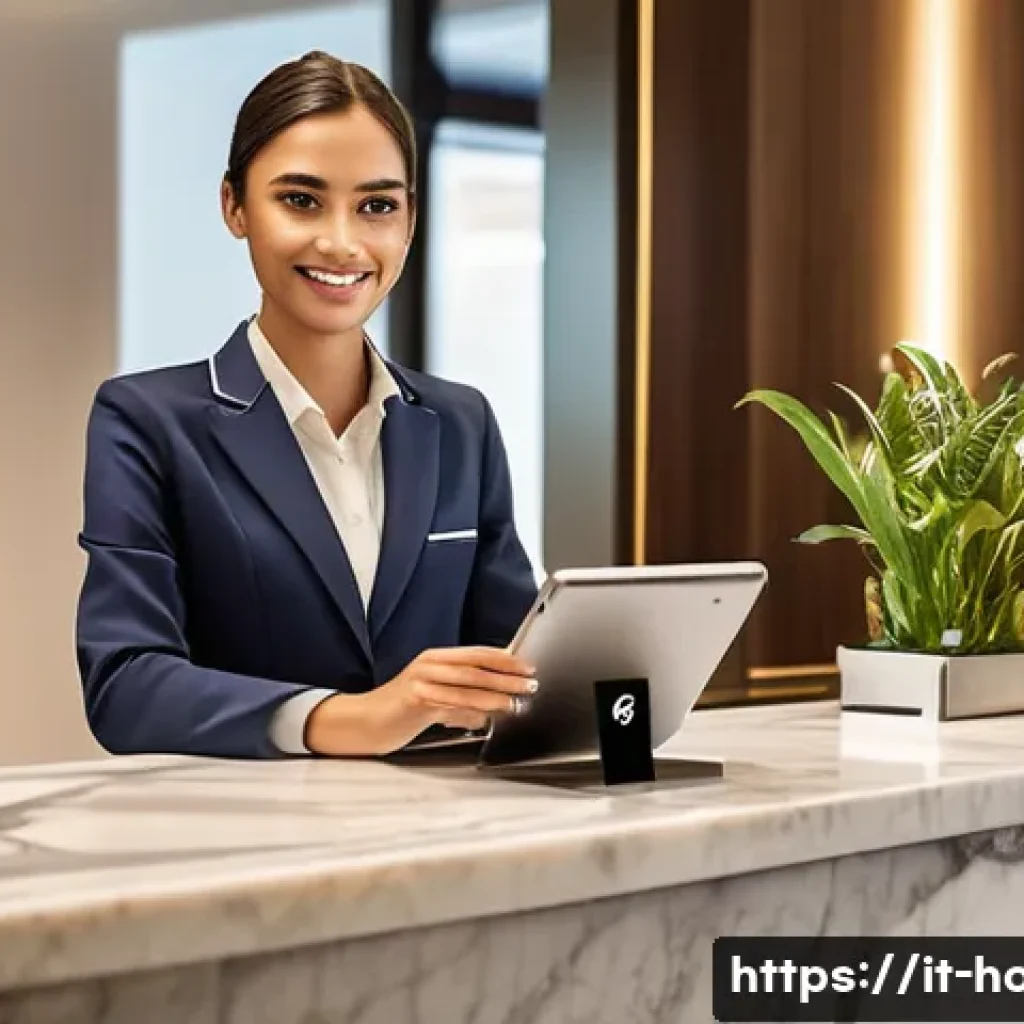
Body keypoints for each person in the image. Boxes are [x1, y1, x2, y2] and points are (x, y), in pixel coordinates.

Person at [75, 51, 539, 760]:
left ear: (409, 222)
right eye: (301, 200)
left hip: (445, 836)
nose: (343, 242)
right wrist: (347, 720)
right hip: (254, 845)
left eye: (377, 206)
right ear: (234, 205)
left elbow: (518, 662)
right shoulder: (145, 421)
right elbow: (126, 684)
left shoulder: (461, 423)